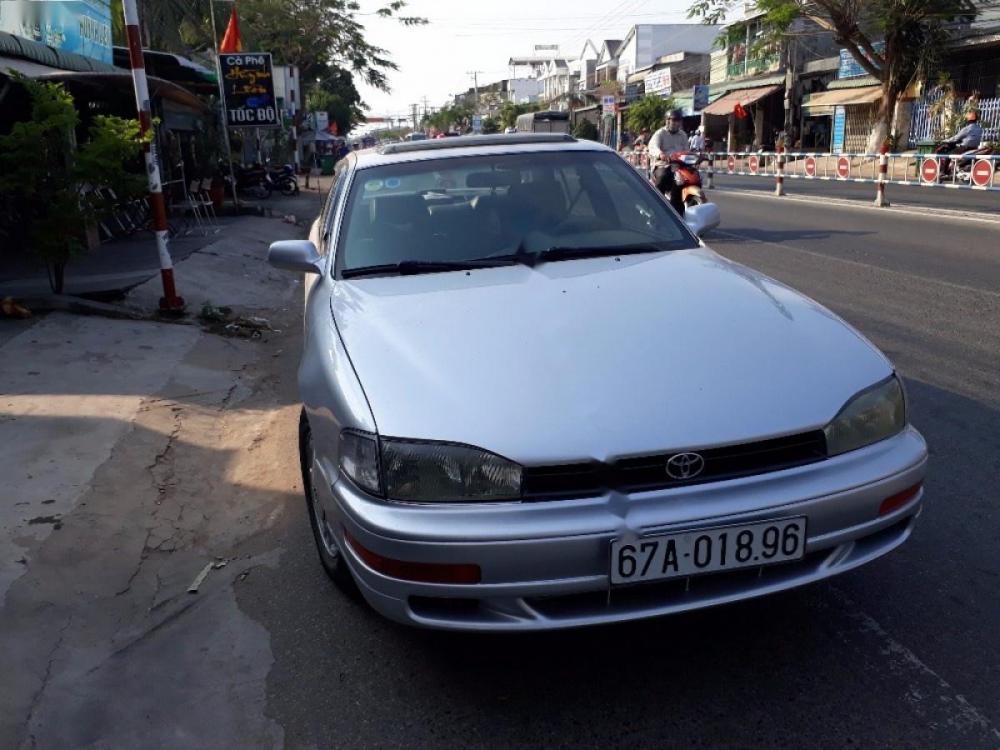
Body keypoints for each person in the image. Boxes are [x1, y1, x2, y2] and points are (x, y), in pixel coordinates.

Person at [648, 109, 689, 214]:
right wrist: (660, 154)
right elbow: (653, 147)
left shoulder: (683, 135)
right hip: (663, 165)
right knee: (663, 176)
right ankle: (655, 206)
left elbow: (686, 150)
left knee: (692, 175)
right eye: (674, 120)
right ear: (667, 120)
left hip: (679, 166)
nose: (677, 123)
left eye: (679, 120)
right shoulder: (660, 134)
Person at [938, 110, 984, 176]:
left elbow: (956, 138)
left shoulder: (967, 129)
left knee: (948, 155)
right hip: (975, 148)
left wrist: (945, 140)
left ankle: (943, 172)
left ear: (968, 120)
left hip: (965, 148)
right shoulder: (979, 129)